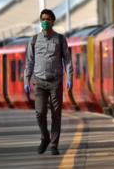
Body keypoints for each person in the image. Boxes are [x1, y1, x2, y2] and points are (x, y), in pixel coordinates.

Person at [24, 9, 73, 155]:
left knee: (56, 114)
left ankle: (53, 145)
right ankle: (44, 137)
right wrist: (26, 80)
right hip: (39, 82)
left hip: (55, 82)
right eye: (42, 19)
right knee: (40, 112)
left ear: (53, 21)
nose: (45, 22)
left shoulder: (60, 39)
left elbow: (67, 60)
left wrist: (69, 77)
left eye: (47, 19)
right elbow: (29, 62)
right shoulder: (33, 40)